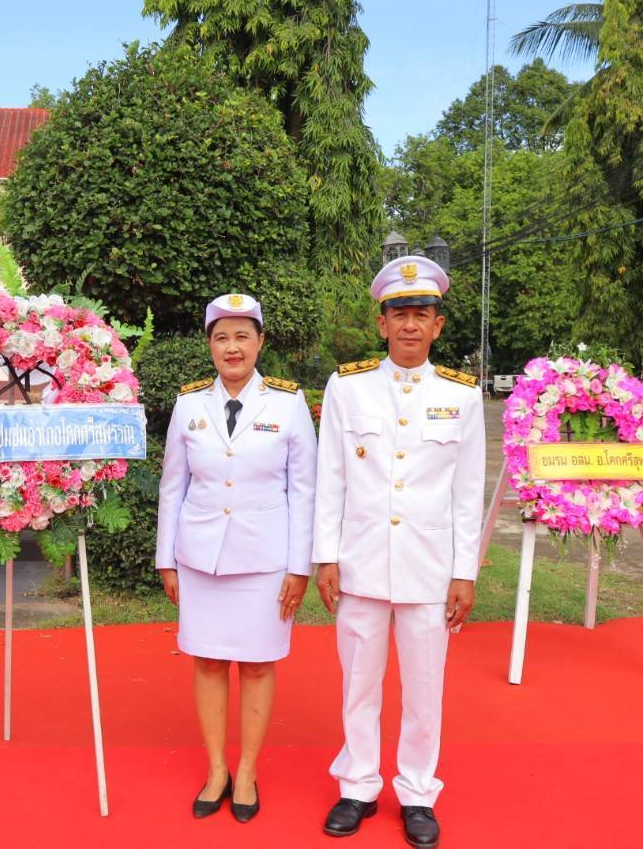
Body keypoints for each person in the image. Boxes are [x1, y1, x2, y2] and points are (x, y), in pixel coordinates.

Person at [313, 256, 485, 848]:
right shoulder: (348, 385)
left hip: (429, 569)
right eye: (399, 314)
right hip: (360, 561)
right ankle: (358, 785)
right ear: (381, 322)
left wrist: (465, 572)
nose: (410, 325)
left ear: (438, 326)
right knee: (359, 682)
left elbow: (468, 492)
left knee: (424, 687)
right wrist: (325, 555)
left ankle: (416, 792)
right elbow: (329, 474)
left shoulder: (462, 397)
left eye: (422, 314)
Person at [156, 293, 317, 823]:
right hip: (201, 556)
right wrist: (167, 558)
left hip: (265, 558)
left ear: (260, 342)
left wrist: (300, 567)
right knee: (206, 660)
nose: (232, 347)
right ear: (209, 345)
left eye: (242, 336)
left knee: (256, 664)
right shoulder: (189, 404)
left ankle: (246, 769)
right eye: (221, 337)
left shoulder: (289, 403)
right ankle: (216, 769)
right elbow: (172, 486)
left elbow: (305, 491)